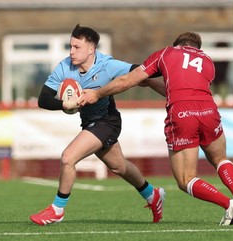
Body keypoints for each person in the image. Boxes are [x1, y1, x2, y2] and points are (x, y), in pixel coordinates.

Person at [79, 32, 233, 225]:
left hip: (182, 113)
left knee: (185, 178)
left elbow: (127, 80)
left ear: (176, 45)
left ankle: (229, 205)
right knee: (220, 159)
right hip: (209, 109)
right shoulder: (207, 61)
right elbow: (187, 84)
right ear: (197, 48)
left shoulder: (167, 53)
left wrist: (97, 93)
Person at [29, 24, 165, 226]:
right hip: (89, 122)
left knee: (68, 158)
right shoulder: (65, 66)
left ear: (91, 49)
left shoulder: (107, 65)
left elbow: (142, 72)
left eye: (77, 47)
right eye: (71, 46)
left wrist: (167, 78)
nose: (71, 52)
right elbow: (43, 99)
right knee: (119, 166)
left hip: (107, 121)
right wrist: (64, 104)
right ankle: (152, 195)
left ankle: (57, 210)